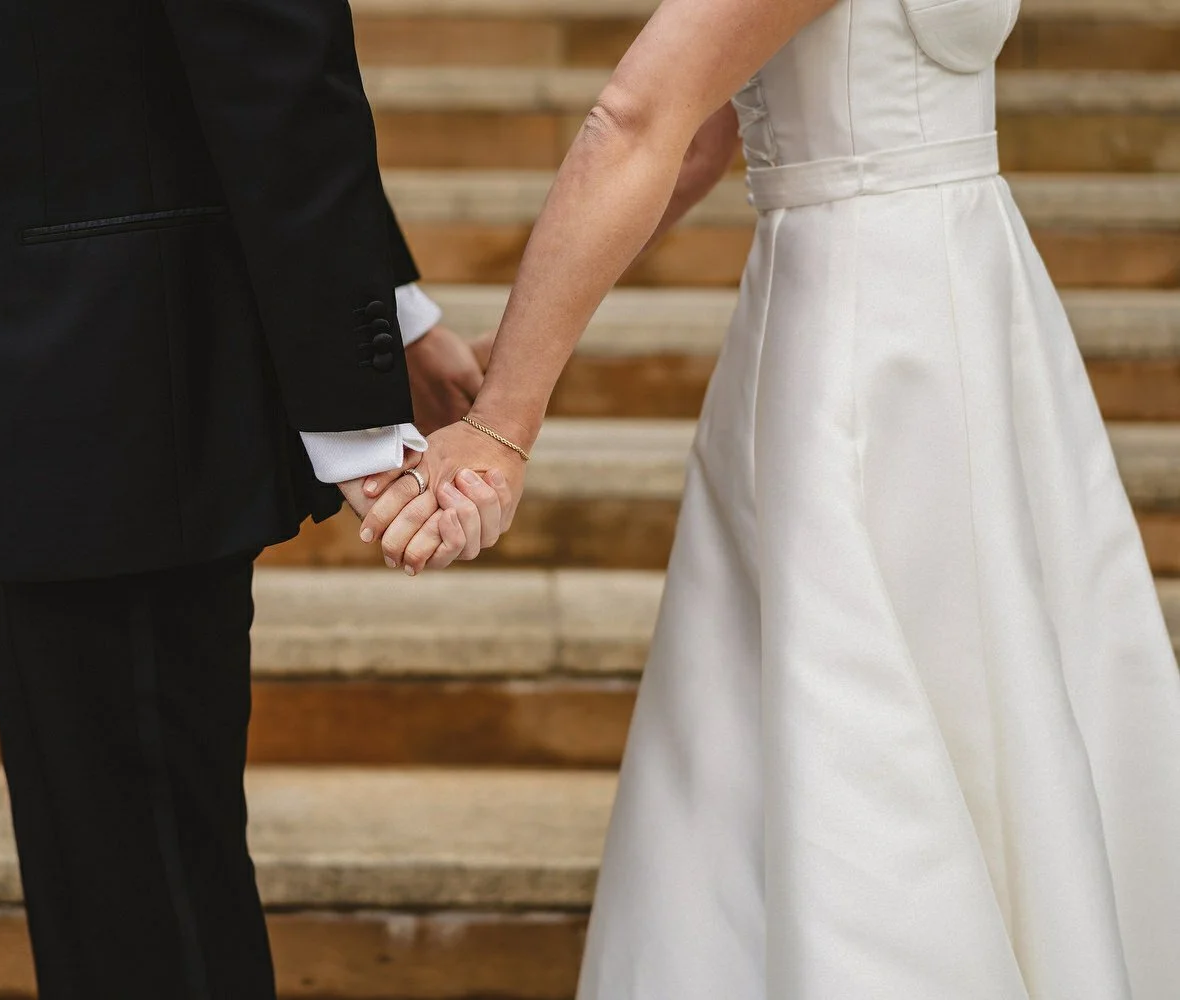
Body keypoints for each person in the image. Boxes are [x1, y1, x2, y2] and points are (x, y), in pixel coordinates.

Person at [361, 0, 1180, 994]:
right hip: (951, 296)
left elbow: (644, 116)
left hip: (875, 330)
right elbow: (699, 136)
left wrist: (504, 421)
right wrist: (519, 366)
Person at [0, 0, 508, 996]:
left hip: (112, 362)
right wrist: (395, 304)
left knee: (145, 902)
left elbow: (272, 55)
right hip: (84, 350)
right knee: (113, 885)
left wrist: (356, 413)